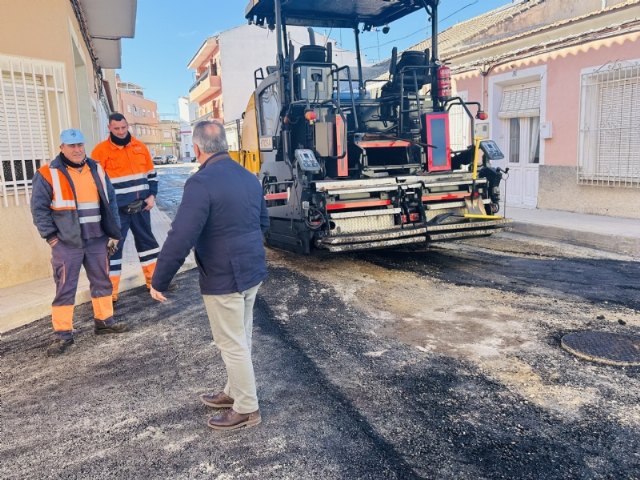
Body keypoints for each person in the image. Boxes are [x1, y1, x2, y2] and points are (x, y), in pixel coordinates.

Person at [150, 120, 268, 431]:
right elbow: (263, 223)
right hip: (251, 270)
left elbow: (181, 235)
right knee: (240, 337)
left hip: (223, 275)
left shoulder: (200, 183)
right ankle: (234, 392)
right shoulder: (249, 177)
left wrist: (159, 278)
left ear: (198, 148)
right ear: (225, 145)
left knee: (231, 342)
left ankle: (247, 408)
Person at [31, 129, 128, 356]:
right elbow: (39, 209)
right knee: (65, 286)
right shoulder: (47, 174)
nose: (77, 150)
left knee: (102, 281)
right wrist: (52, 238)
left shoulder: (97, 168)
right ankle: (62, 333)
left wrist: (113, 231)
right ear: (61, 147)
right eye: (71, 146)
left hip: (97, 239)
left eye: (80, 145)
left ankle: (104, 321)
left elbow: (110, 201)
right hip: (67, 243)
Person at [91, 113, 160, 301]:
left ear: (127, 125)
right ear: (109, 128)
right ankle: (110, 292)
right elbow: (96, 184)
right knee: (114, 249)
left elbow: (151, 175)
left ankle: (155, 283)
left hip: (142, 208)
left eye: (123, 127)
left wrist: (152, 196)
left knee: (148, 246)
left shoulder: (140, 147)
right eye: (116, 128)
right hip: (117, 212)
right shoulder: (100, 151)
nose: (121, 132)